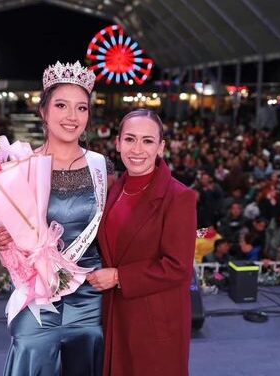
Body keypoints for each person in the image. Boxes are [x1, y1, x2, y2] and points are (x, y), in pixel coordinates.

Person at [0, 61, 112, 376]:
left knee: (90, 352)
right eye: (62, 105)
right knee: (30, 347)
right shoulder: (19, 166)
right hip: (38, 294)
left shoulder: (101, 166)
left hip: (90, 291)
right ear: (43, 111)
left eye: (81, 108)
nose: (72, 116)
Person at [88, 109, 197, 376]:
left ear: (161, 147)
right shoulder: (114, 188)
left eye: (147, 141)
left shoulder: (179, 197)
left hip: (155, 324)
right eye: (130, 139)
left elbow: (177, 267)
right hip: (118, 315)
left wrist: (117, 277)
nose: (137, 149)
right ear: (118, 143)